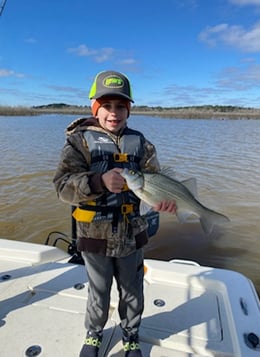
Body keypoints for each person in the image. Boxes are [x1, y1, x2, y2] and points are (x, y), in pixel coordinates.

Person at [53, 70, 176, 357]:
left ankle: (131, 336)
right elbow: (61, 187)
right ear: (95, 107)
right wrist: (99, 181)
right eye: (106, 105)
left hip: (133, 234)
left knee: (132, 291)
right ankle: (94, 334)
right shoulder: (79, 141)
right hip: (94, 235)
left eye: (121, 106)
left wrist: (163, 202)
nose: (114, 113)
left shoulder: (142, 143)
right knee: (98, 290)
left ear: (129, 109)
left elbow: (156, 182)